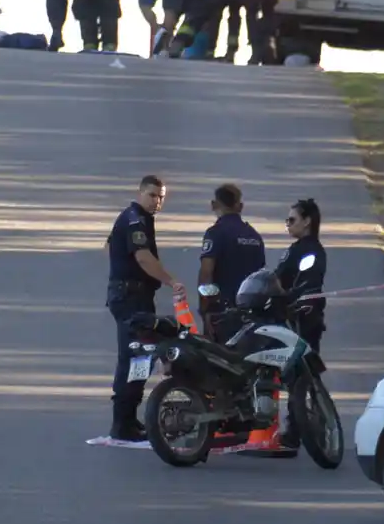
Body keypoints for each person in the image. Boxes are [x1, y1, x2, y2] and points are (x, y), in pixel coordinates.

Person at [105, 174, 186, 442]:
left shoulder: (135, 218)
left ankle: (128, 420)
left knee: (140, 357)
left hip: (134, 296)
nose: (157, 201)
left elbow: (109, 245)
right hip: (130, 298)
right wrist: (170, 280)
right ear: (140, 193)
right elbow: (142, 256)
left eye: (161, 196)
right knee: (135, 356)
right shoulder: (135, 219)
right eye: (152, 195)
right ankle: (122, 423)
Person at [196, 183, 266, 340]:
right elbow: (261, 275)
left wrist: (205, 309)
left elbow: (207, 272)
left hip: (222, 311)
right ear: (240, 206)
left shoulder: (215, 233)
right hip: (251, 312)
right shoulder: (254, 236)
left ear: (214, 205)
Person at [275, 198, 327, 355]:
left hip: (301, 318)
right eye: (287, 220)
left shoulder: (310, 250)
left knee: (302, 364)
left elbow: (306, 281)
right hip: (292, 314)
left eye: (292, 220)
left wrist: (284, 294)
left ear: (306, 222)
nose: (288, 224)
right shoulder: (299, 248)